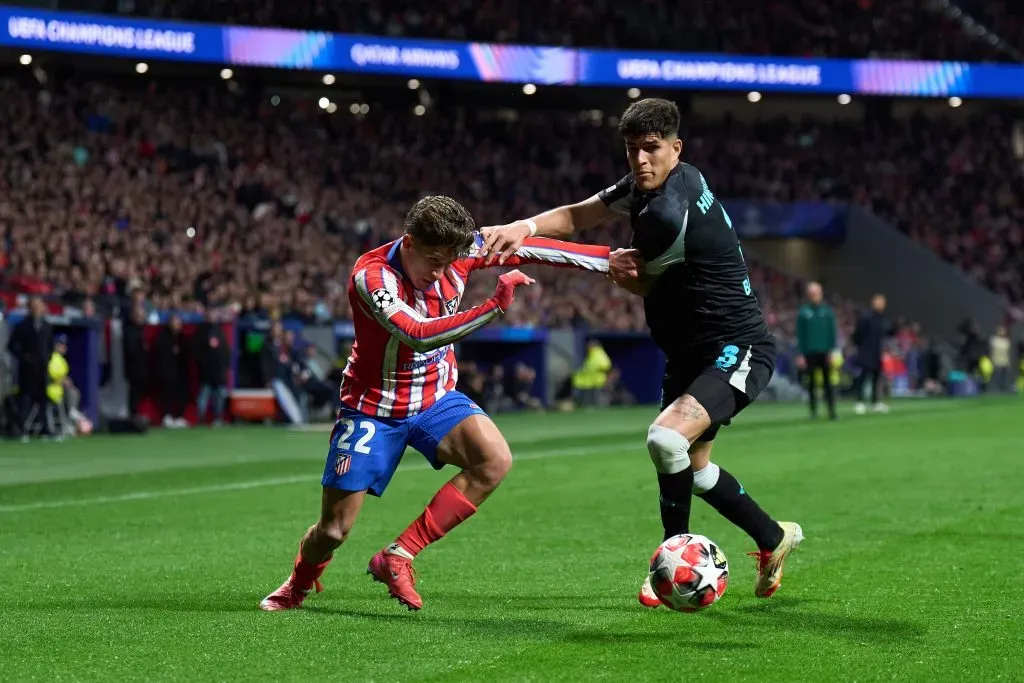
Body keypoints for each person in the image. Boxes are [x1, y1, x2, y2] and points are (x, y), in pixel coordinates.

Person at [480, 98, 803, 605]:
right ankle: (772, 537)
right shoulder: (663, 181)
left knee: (664, 441)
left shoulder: (667, 216)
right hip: (688, 349)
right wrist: (524, 227)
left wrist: (594, 263)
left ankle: (668, 562)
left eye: (651, 149)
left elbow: (640, 284)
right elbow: (576, 214)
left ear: (676, 148)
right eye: (632, 151)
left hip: (735, 346)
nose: (640, 161)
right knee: (692, 467)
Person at [260, 195, 636, 612]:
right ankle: (298, 583)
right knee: (333, 530)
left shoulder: (458, 251)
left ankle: (398, 555)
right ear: (408, 243)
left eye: (448, 262)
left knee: (493, 459)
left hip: (435, 398)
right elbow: (418, 333)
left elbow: (530, 247)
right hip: (373, 407)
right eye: (433, 261)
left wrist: (606, 261)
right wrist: (493, 307)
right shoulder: (372, 277)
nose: (440, 273)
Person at [7, 296, 53, 439]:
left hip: (42, 369)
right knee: (25, 401)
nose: (37, 309)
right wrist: (24, 357)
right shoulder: (22, 326)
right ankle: (21, 430)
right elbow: (12, 345)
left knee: (43, 401)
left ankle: (45, 430)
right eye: (34, 306)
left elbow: (49, 346)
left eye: (39, 306)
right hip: (27, 370)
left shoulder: (47, 326)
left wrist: (47, 358)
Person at [796, 282, 838, 420]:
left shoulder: (827, 312)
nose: (815, 295)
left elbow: (832, 333)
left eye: (817, 293)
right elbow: (800, 335)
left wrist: (832, 351)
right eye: (812, 293)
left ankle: (832, 411)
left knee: (828, 382)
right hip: (809, 352)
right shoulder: (803, 312)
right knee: (811, 383)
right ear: (809, 295)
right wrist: (800, 354)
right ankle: (813, 411)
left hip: (825, 352)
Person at [852, 294, 892, 414]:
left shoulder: (883, 319)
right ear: (873, 303)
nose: (880, 305)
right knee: (864, 376)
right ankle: (859, 402)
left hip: (877, 351)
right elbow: (858, 334)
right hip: (866, 350)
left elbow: (886, 334)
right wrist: (861, 347)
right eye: (878, 302)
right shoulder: (866, 317)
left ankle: (875, 402)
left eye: (882, 302)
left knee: (876, 377)